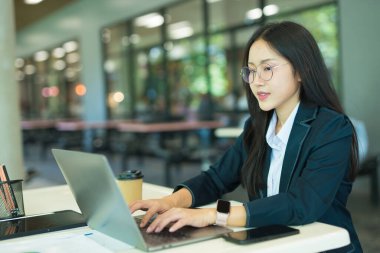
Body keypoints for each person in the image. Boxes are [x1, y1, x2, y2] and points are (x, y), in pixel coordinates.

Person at [130, 21, 362, 252]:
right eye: (251, 70)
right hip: (275, 243)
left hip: (324, 246)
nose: (256, 80)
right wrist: (168, 203)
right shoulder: (257, 127)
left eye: (267, 68)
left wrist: (213, 215)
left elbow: (302, 204)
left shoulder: (332, 128)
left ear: (301, 70)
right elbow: (216, 179)